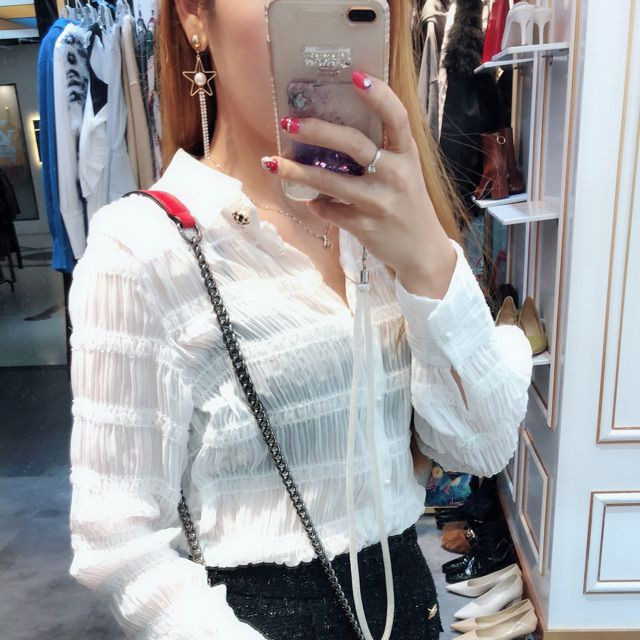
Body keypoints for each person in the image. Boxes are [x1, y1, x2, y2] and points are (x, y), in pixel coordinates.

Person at [66, 1, 534, 639]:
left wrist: (428, 255)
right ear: (194, 17)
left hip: (409, 611)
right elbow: (118, 543)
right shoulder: (144, 249)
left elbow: (481, 445)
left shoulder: (391, 229)